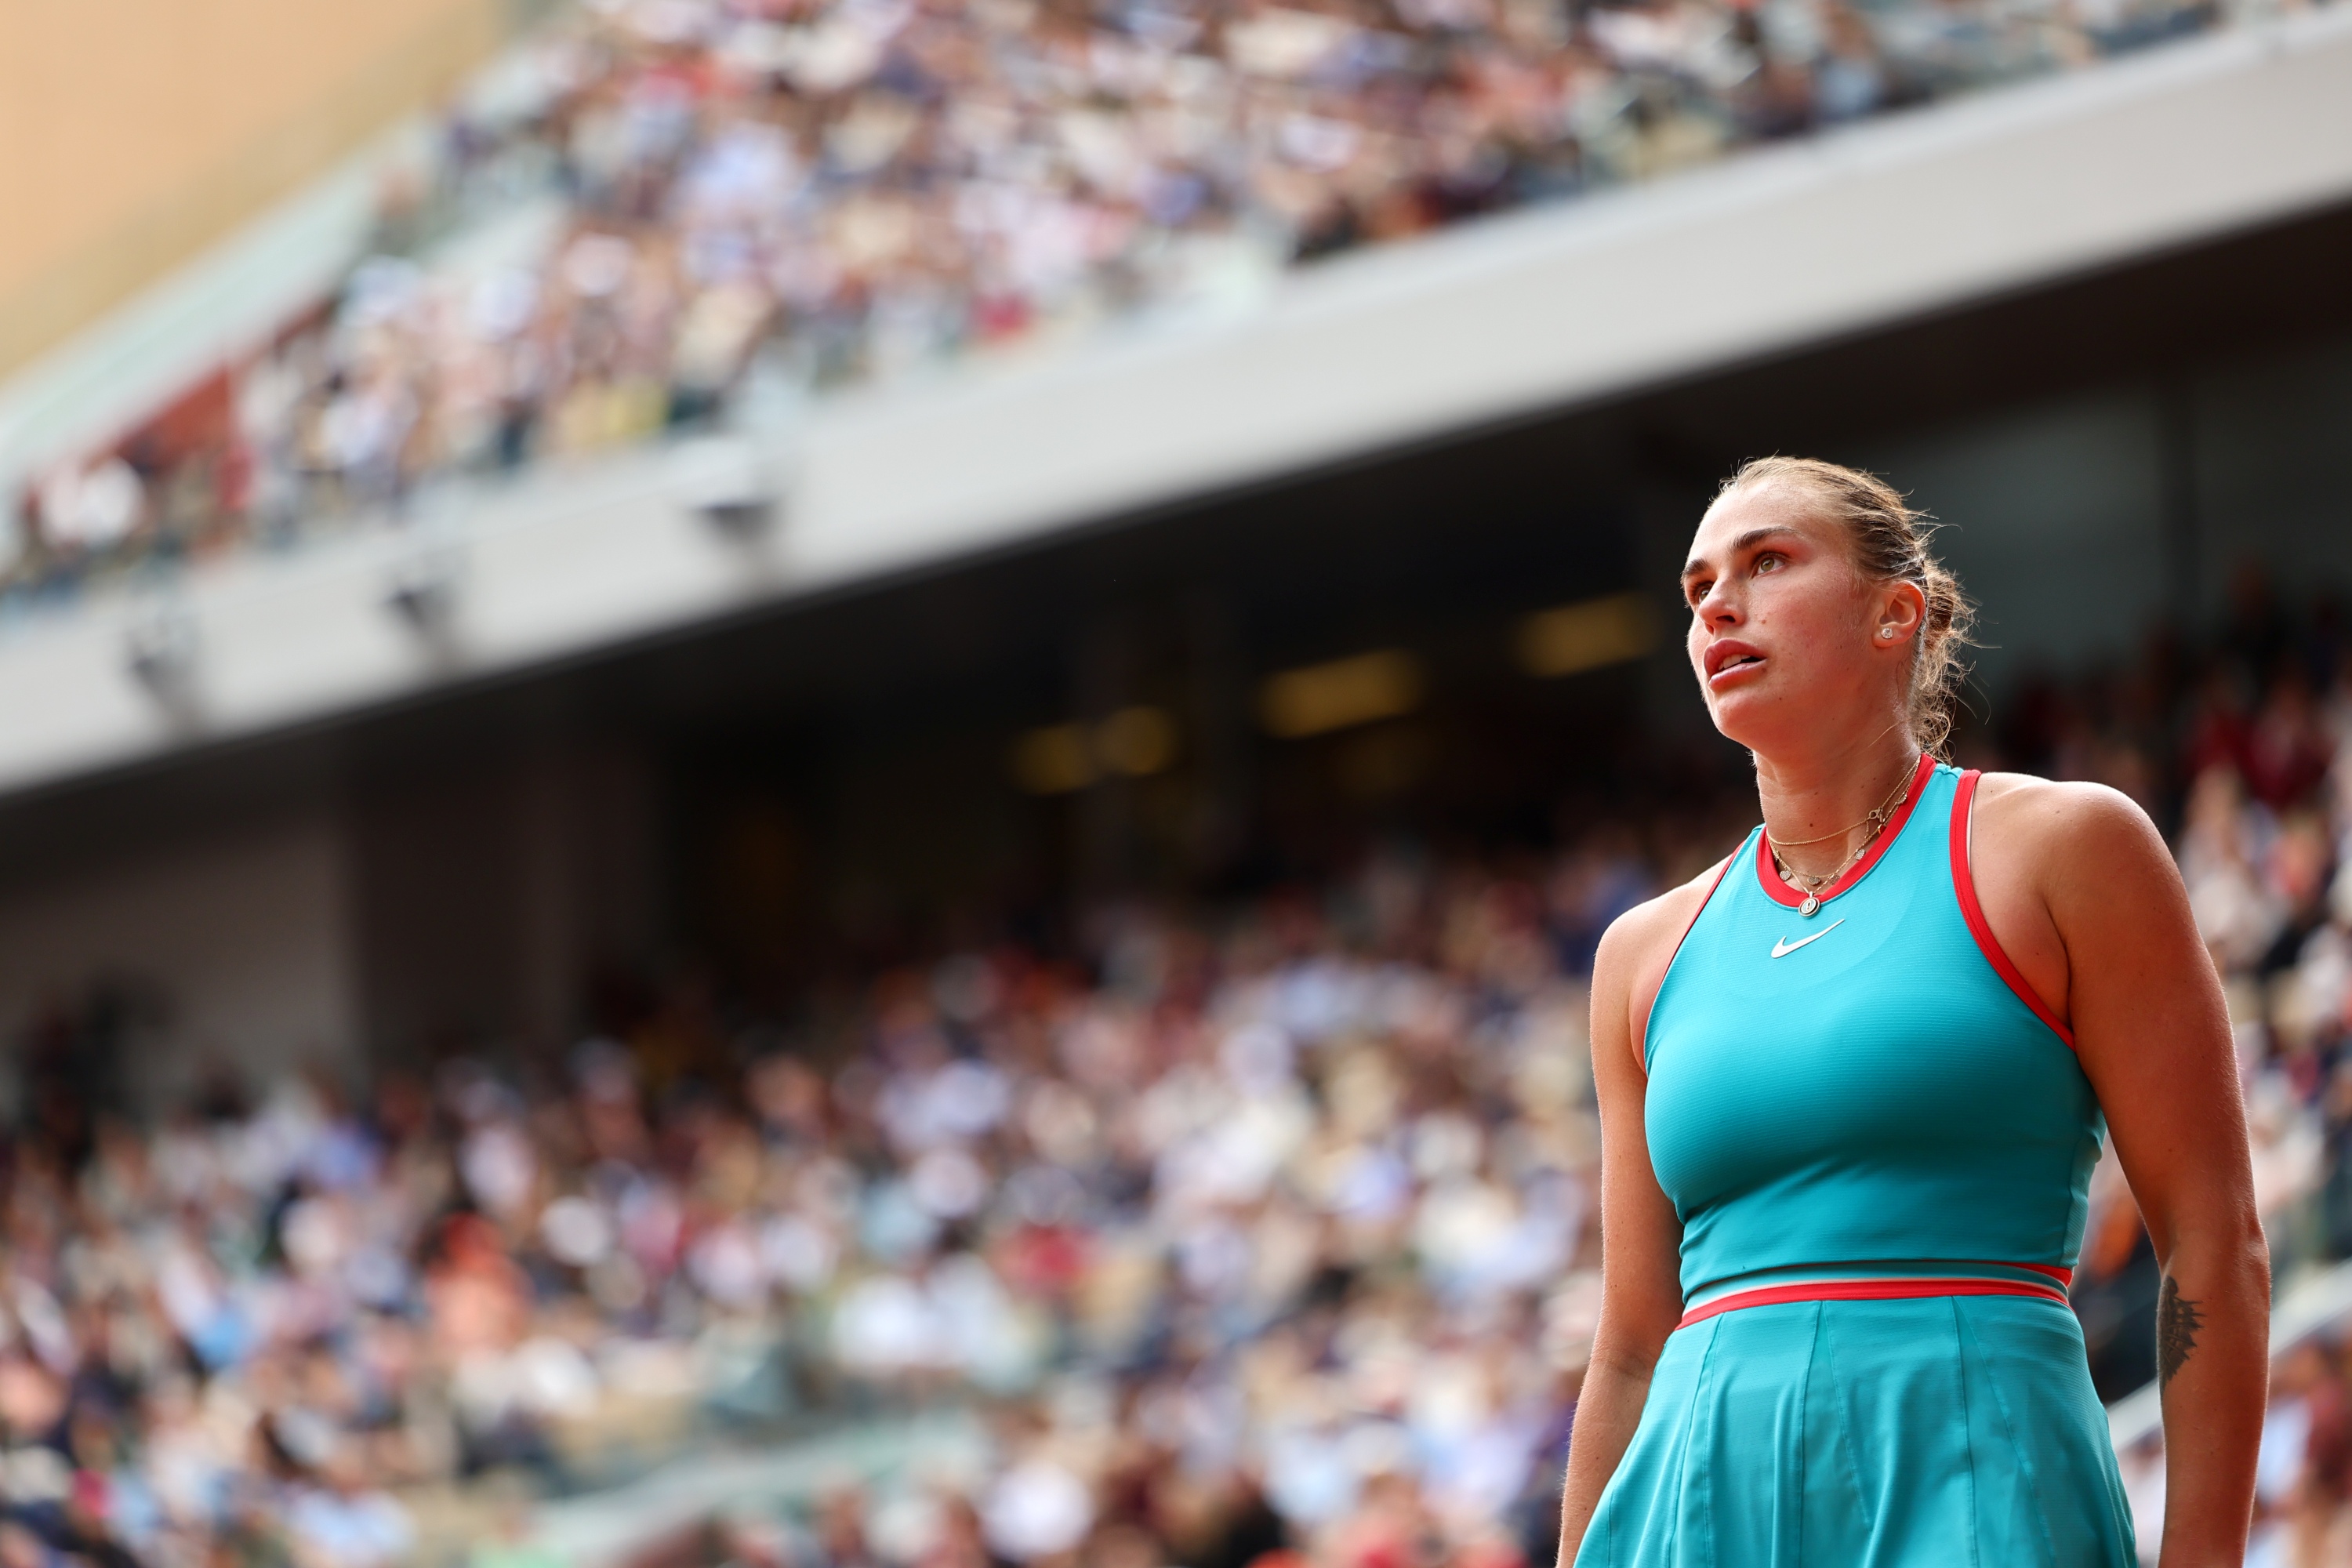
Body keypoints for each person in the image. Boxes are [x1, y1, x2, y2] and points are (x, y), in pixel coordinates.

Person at [1555, 458, 2268, 1565]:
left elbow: (2211, 1244)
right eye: (1698, 589)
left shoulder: (2069, 847)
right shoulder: (1638, 954)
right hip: (1694, 1504)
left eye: (1769, 562)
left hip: (1978, 1469)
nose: (1718, 607)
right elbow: (1631, 1347)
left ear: (1897, 613)